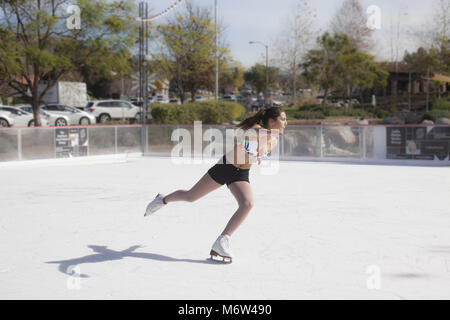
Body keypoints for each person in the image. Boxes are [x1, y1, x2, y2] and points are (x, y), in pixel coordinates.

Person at [144, 107, 288, 262]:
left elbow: (255, 152)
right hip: (225, 167)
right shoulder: (256, 129)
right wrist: (267, 136)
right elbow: (252, 136)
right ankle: (163, 199)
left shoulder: (273, 140)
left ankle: (222, 241)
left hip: (241, 173)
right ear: (272, 121)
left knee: (247, 204)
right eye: (283, 119)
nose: (286, 123)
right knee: (191, 196)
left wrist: (258, 156)